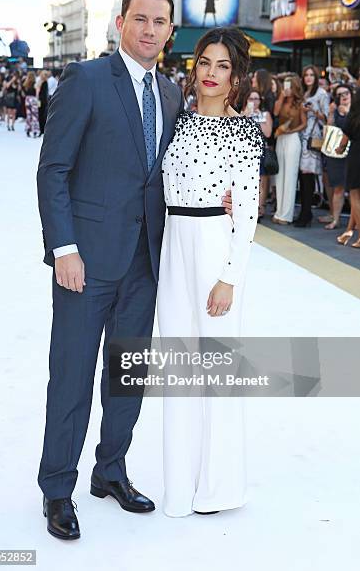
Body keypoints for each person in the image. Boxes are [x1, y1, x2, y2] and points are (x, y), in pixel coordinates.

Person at [37, 0, 185, 541]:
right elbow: (52, 170)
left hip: (145, 263)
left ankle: (111, 471)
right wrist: (64, 249)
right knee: (71, 377)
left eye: (160, 21)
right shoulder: (88, 80)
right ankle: (57, 489)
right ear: (121, 22)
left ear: (171, 31)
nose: (150, 30)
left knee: (127, 377)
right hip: (86, 263)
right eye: (140, 19)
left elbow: (165, 176)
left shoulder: (171, 94)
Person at [157, 27, 264, 517]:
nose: (212, 74)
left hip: (215, 248)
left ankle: (220, 487)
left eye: (223, 66)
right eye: (205, 63)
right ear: (193, 66)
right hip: (173, 247)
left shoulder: (245, 131)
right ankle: (180, 487)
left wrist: (229, 277)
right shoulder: (173, 122)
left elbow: (247, 211)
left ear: (237, 74)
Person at [295, 65, 329, 228]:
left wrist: (314, 111)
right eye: (306, 75)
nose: (308, 78)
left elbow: (327, 118)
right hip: (302, 135)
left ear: (316, 77)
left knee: (308, 175)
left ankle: (306, 214)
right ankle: (304, 212)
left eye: (311, 75)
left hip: (313, 137)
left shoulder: (321, 94)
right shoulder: (304, 93)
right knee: (302, 176)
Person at [272, 75, 307, 224]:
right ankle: (279, 212)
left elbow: (304, 124)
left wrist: (291, 131)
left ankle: (286, 215)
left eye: (290, 86)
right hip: (280, 138)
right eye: (286, 85)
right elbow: (275, 112)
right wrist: (281, 96)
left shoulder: (300, 103)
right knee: (280, 176)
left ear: (295, 87)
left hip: (292, 139)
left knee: (290, 177)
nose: (287, 89)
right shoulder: (281, 100)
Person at [323, 84, 352, 230]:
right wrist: (330, 113)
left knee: (354, 190)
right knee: (338, 189)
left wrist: (348, 114)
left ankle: (355, 222)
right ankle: (335, 219)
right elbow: (328, 130)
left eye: (346, 93)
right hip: (336, 153)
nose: (344, 96)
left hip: (353, 153)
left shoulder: (355, 110)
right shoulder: (334, 111)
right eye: (340, 94)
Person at [242, 88, 273, 220]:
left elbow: (267, 133)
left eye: (256, 99)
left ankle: (259, 208)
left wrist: (258, 118)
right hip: (245, 152)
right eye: (251, 99)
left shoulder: (265, 114)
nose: (254, 102)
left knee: (261, 182)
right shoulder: (243, 113)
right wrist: (246, 116)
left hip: (260, 151)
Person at [336, 90, 360, 248]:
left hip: (357, 153)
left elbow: (346, 134)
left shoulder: (355, 113)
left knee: (354, 194)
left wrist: (340, 148)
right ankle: (348, 231)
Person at [22, 71, 39, 137]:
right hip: (33, 99)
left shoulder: (25, 84)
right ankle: (35, 131)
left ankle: (28, 130)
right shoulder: (35, 83)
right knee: (35, 116)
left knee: (28, 115)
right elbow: (37, 93)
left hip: (27, 99)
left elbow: (23, 93)